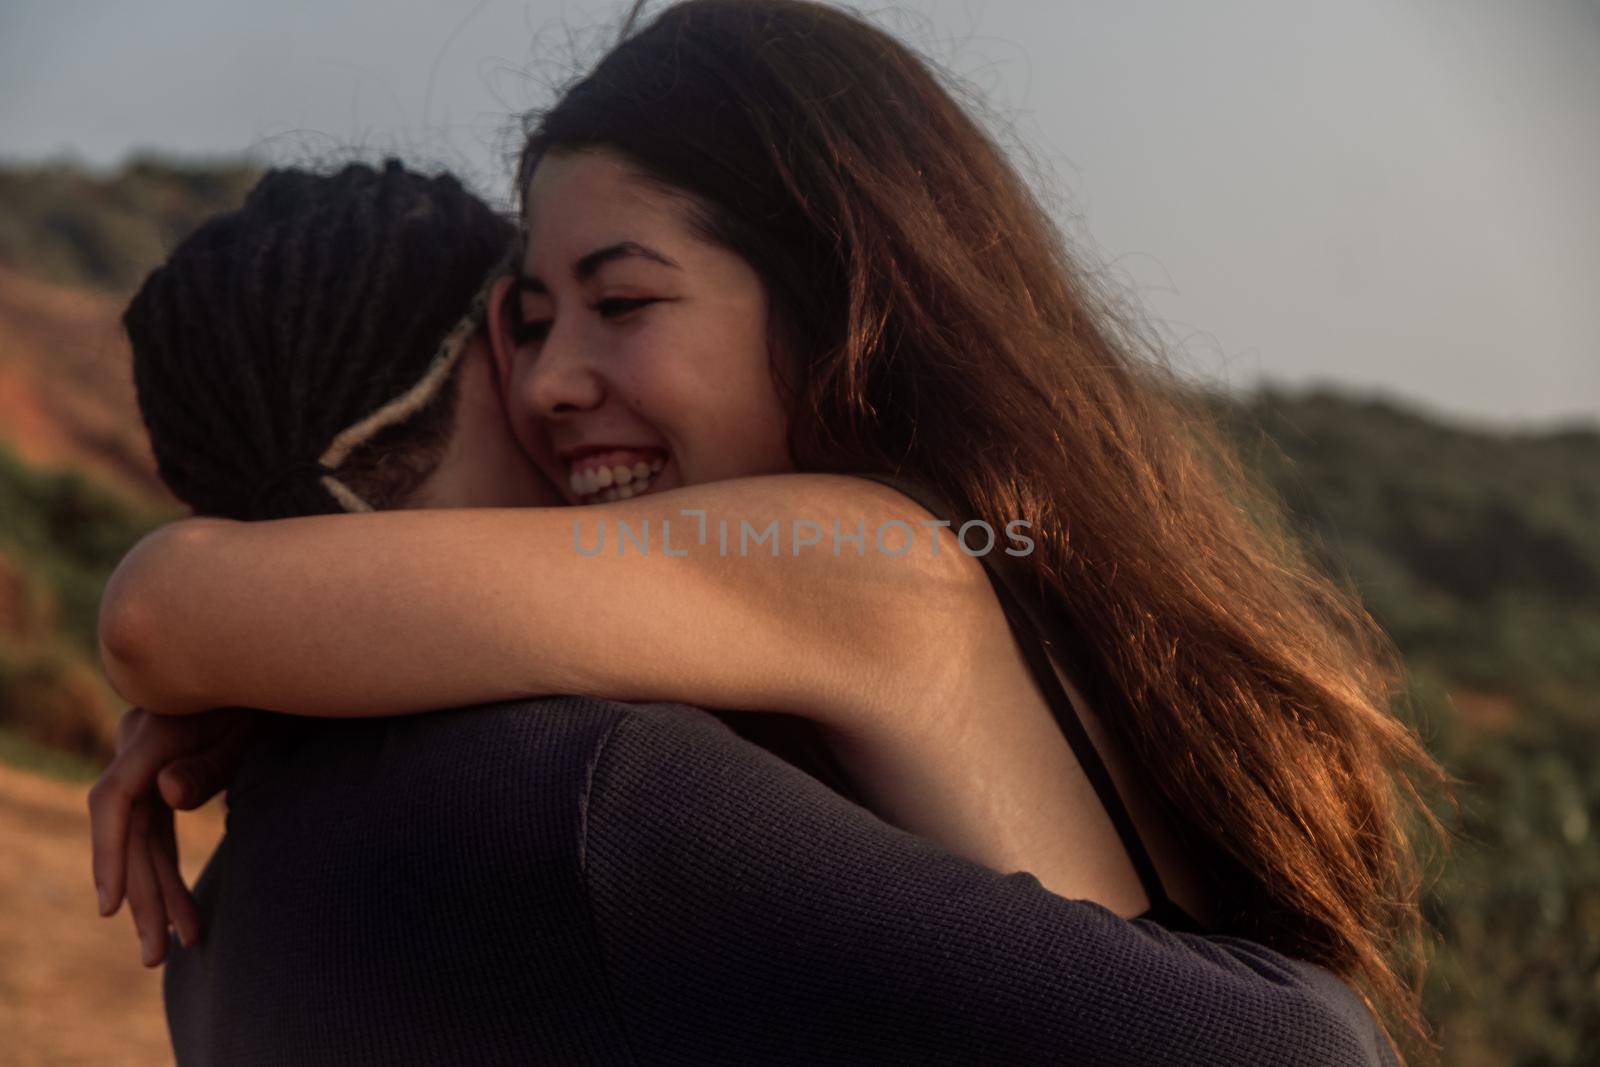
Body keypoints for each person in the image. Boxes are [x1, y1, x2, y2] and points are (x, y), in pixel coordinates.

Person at [94, 0, 1446, 1058]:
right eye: (531, 319)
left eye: (619, 305)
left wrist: (235, 672)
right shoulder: (947, 571)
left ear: (838, 298)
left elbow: (166, 606)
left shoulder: (850, 553)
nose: (553, 379)